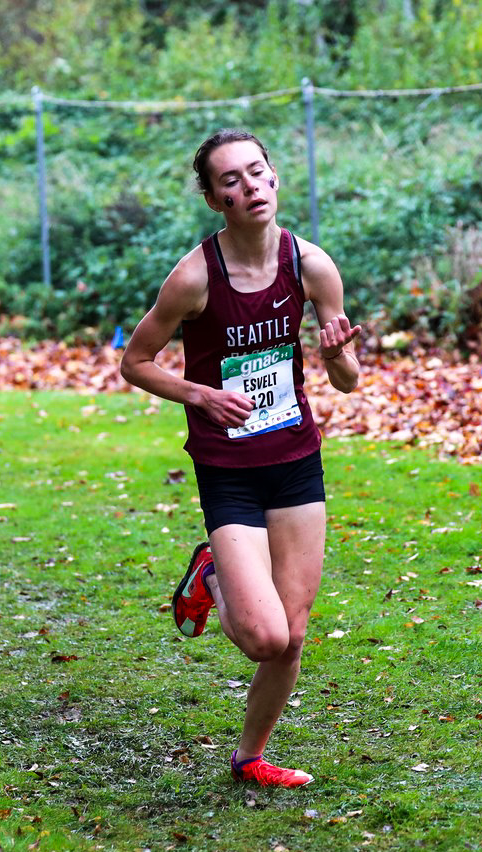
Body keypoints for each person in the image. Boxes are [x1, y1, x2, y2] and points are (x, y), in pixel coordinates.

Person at [120, 129, 361, 788]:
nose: (249, 186)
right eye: (231, 179)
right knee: (263, 637)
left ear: (274, 178)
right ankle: (214, 576)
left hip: (293, 460)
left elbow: (347, 382)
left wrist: (338, 354)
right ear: (213, 198)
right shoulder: (194, 278)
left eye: (257, 172)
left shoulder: (310, 266)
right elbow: (133, 362)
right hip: (227, 469)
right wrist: (198, 393)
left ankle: (248, 757)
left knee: (294, 633)